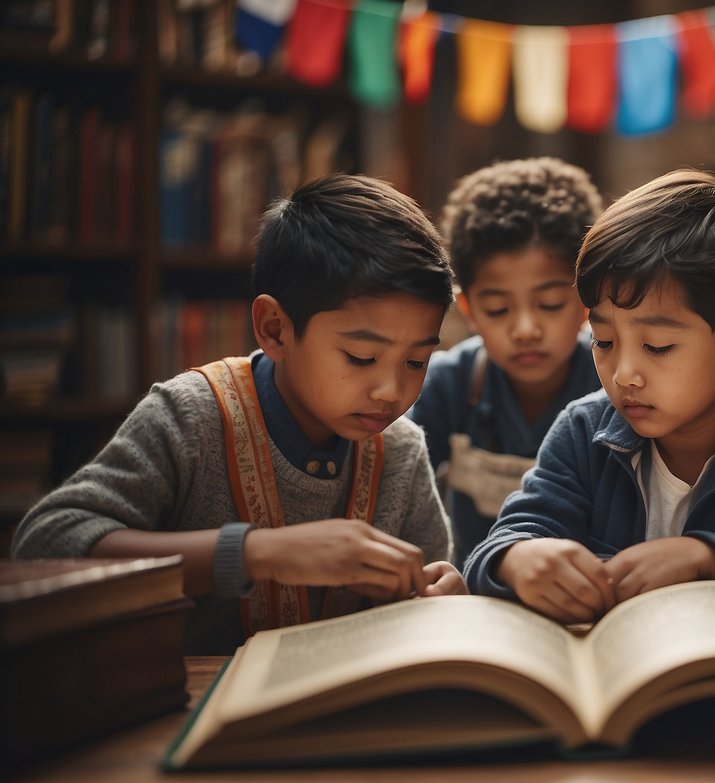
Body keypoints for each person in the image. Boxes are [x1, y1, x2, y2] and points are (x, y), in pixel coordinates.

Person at [12, 173, 467, 654]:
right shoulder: (190, 418)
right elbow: (45, 544)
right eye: (360, 357)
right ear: (274, 329)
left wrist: (440, 594)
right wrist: (254, 553)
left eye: (417, 361)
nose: (392, 391)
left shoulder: (400, 450)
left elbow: (428, 584)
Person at [463, 168, 715, 623]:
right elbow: (502, 542)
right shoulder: (583, 429)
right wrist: (517, 560)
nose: (623, 375)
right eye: (603, 341)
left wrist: (707, 558)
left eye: (658, 347)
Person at [406, 157, 604, 566]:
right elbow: (397, 478)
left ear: (586, 300)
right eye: (498, 309)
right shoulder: (449, 385)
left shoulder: (615, 386)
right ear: (469, 310)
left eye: (549, 304)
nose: (525, 329)